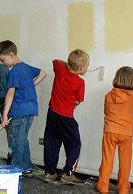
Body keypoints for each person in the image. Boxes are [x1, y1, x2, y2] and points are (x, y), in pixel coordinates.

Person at [95, 67, 133, 193]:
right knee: (125, 162)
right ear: (132, 81)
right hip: (126, 133)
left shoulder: (108, 96)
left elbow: (106, 112)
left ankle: (103, 186)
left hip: (110, 131)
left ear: (116, 78)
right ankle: (124, 188)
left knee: (107, 160)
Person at [0, 40, 47, 175]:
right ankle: (26, 166)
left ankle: (16, 169)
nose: (2, 63)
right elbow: (43, 73)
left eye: (2, 60)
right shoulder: (25, 67)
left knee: (16, 140)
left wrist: (5, 115)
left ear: (11, 54)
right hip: (31, 110)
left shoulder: (15, 71)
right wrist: (32, 84)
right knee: (22, 138)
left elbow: (10, 94)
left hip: (19, 111)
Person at [42, 49, 90, 184]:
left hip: (52, 113)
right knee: (74, 143)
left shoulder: (60, 69)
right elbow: (78, 101)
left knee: (51, 142)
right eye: (86, 66)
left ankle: (50, 173)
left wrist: (68, 64)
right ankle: (68, 173)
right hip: (66, 117)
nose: (87, 68)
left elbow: (55, 61)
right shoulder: (80, 82)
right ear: (80, 68)